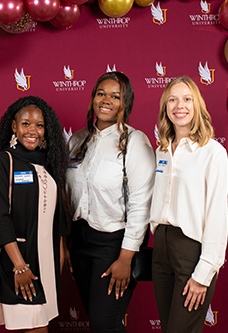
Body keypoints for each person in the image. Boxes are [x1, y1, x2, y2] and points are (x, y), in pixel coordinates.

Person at [65, 71, 155, 332]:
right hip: (80, 242)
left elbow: (141, 203)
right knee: (97, 320)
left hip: (114, 245)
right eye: (101, 93)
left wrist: (126, 257)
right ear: (93, 97)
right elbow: (69, 197)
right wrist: (68, 243)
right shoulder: (78, 139)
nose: (106, 100)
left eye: (116, 96)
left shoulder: (135, 141)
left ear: (125, 103)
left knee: (105, 324)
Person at [149, 76, 228, 333]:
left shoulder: (212, 152)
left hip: (190, 248)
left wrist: (204, 272)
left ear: (197, 106)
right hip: (161, 245)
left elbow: (218, 214)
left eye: (186, 99)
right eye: (172, 99)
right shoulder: (161, 150)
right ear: (165, 107)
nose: (179, 105)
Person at [0, 96, 68, 332]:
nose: (33, 131)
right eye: (26, 124)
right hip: (20, 263)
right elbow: (0, 217)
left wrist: (59, 256)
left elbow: (56, 215)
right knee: (33, 327)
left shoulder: (48, 163)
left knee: (42, 326)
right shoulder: (4, 160)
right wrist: (19, 266)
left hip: (47, 264)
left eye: (39, 125)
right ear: (14, 126)